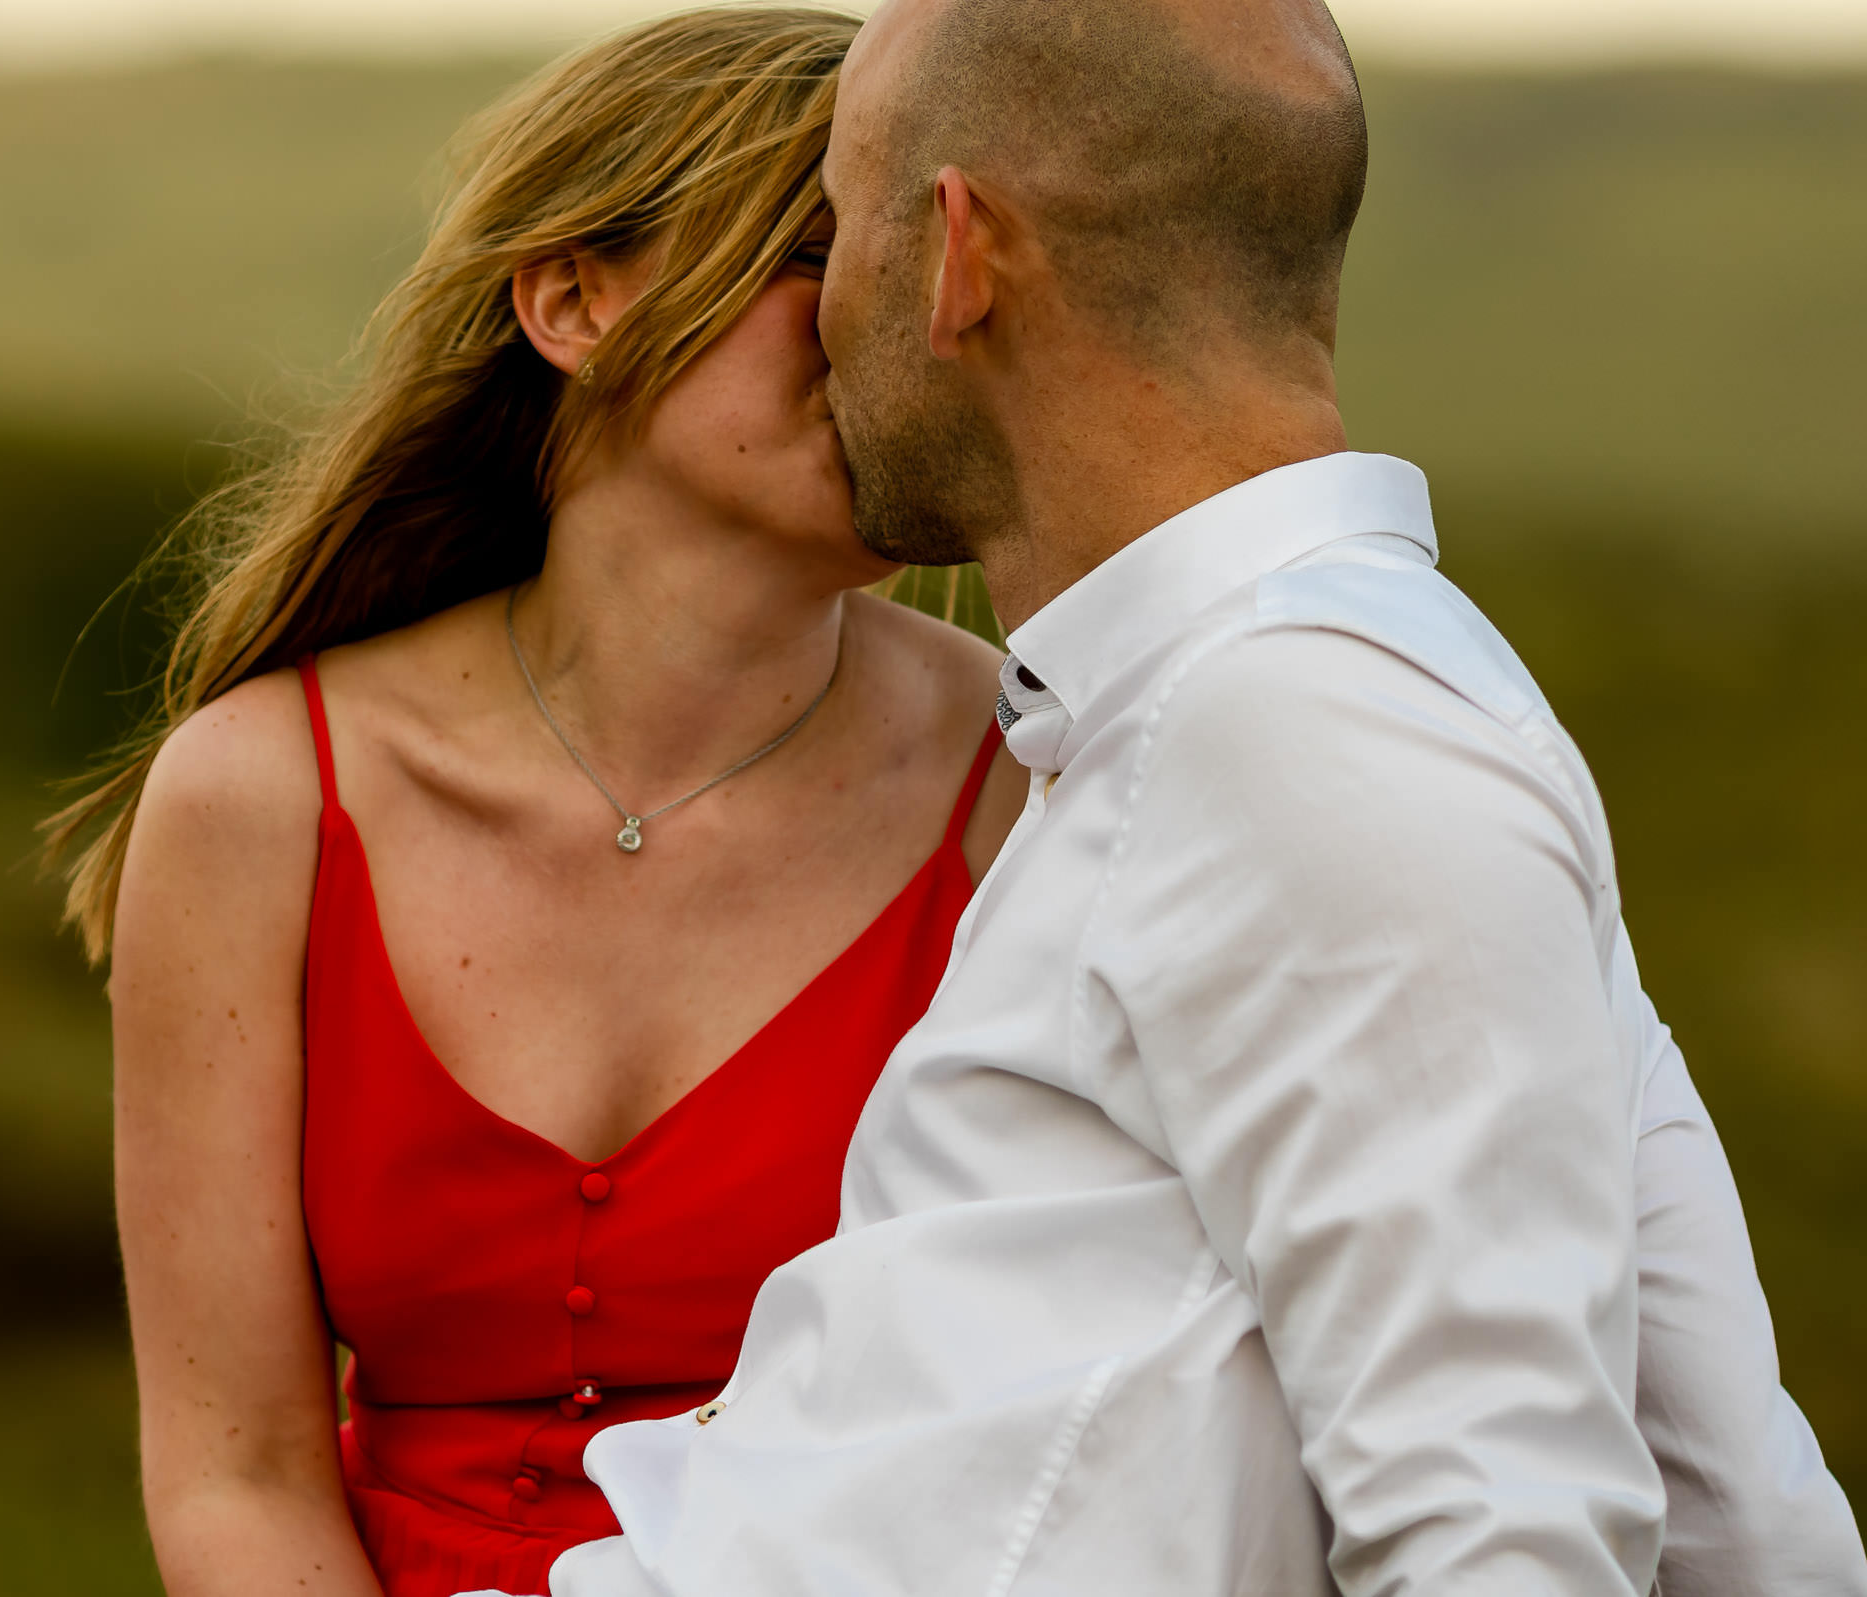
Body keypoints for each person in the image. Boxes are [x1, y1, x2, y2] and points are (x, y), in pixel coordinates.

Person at [519, 1, 1867, 1594]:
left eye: (841, 220)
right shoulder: (1248, 712)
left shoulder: (1311, 734)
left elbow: (1509, 1536)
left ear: (958, 253)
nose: (827, 314)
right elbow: (1732, 1501)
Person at [42, 10, 1024, 1596]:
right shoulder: (262, 797)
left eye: (942, 278)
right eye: (822, 257)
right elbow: (236, 1475)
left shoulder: (1029, 788)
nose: (904, 333)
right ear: (572, 299)